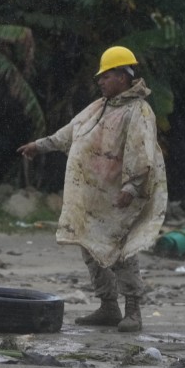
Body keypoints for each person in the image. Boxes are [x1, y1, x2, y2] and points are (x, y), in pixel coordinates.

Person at [16, 46, 167, 332]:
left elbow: (141, 152)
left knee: (121, 251)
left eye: (106, 76)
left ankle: (133, 310)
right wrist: (40, 145)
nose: (100, 81)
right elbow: (70, 132)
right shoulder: (100, 106)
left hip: (120, 195)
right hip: (92, 195)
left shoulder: (139, 111)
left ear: (123, 76)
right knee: (90, 247)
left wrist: (131, 188)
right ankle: (108, 306)